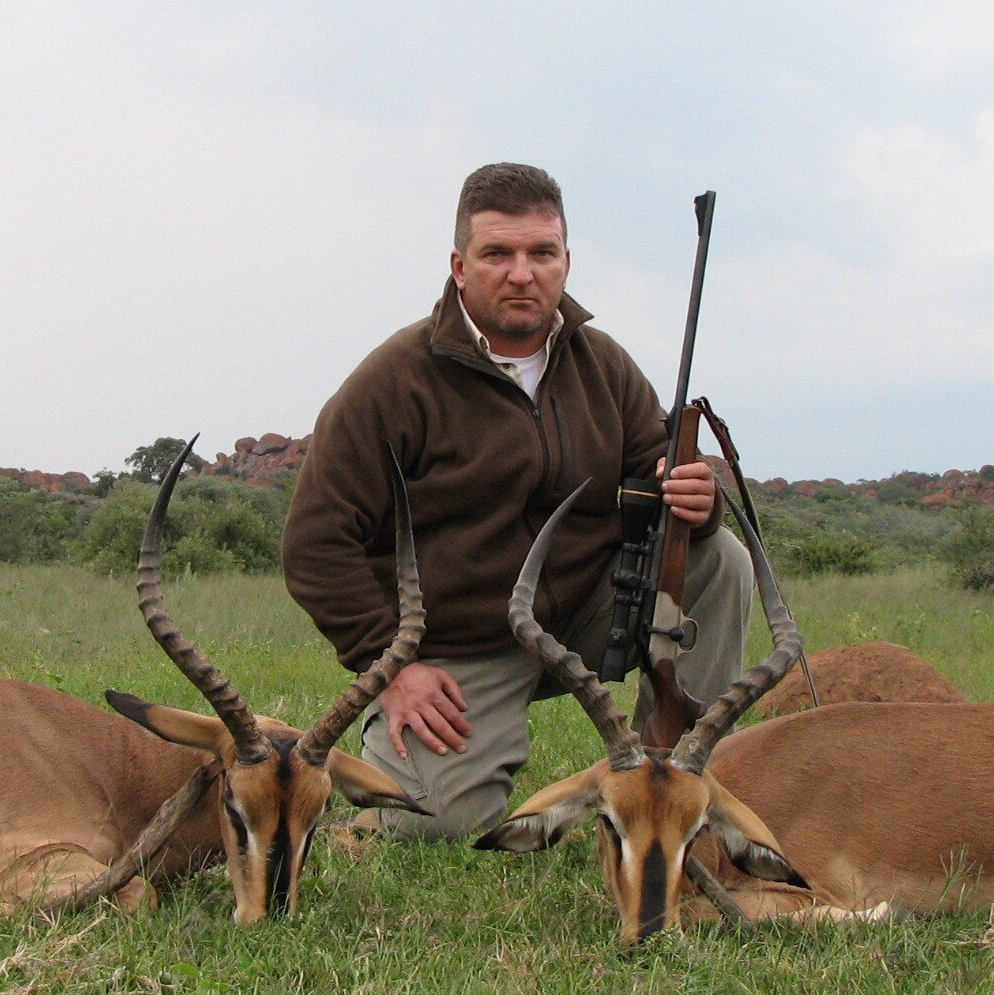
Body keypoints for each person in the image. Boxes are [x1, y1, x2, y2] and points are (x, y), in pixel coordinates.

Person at [282, 162, 754, 839]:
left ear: (566, 261)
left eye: (542, 253)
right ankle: (364, 791)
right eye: (497, 254)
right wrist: (392, 665)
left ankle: (676, 776)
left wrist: (697, 498)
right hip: (458, 644)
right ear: (459, 264)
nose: (522, 273)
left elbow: (659, 494)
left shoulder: (604, 366)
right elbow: (315, 545)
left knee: (722, 562)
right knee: (430, 831)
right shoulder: (394, 381)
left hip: (587, 615)